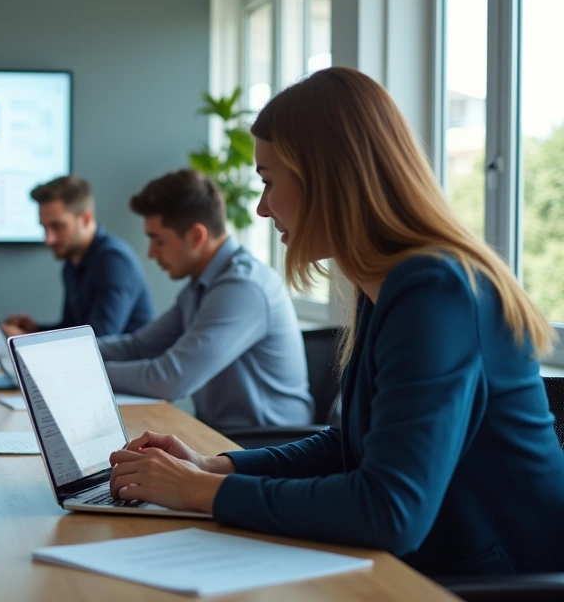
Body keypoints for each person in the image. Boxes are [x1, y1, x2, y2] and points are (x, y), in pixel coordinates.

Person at [106, 67, 564, 577]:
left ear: (326, 179)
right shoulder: (388, 284)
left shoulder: (437, 293)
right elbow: (348, 444)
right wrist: (216, 466)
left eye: (269, 181)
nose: (261, 208)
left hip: (496, 579)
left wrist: (199, 491)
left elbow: (390, 512)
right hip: (435, 563)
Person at [96, 169, 311, 430]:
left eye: (158, 240)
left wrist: (85, 372)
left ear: (197, 236)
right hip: (227, 438)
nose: (151, 254)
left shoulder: (242, 288)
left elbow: (168, 378)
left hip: (266, 446)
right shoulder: (202, 285)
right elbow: (138, 347)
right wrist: (67, 355)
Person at [0, 174, 154, 356]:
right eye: (44, 227)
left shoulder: (114, 262)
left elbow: (98, 340)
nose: (48, 239)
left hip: (121, 378)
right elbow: (74, 330)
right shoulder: (72, 263)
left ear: (85, 219)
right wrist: (33, 331)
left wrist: (22, 341)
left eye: (57, 227)